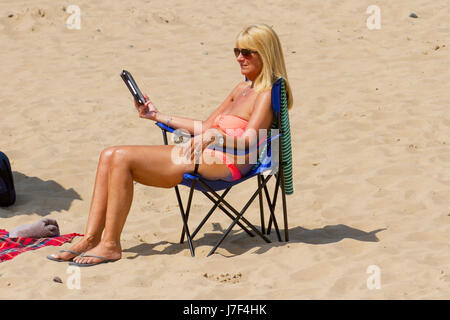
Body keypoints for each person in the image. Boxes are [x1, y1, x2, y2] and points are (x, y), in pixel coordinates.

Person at [47, 23, 293, 266]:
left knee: (122, 157)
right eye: (236, 51)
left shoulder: (266, 91)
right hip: (205, 152)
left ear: (265, 53)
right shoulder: (242, 87)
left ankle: (110, 245)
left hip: (229, 163)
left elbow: (249, 140)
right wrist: (156, 115)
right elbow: (205, 126)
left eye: (247, 52)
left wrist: (217, 137)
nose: (239, 58)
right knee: (108, 154)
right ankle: (90, 238)